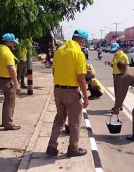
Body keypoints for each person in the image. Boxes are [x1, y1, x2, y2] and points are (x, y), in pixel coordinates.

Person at [46, 29, 89, 157]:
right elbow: (81, 77)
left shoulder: (59, 51)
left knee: (59, 119)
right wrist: (86, 97)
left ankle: (51, 147)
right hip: (72, 92)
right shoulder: (78, 53)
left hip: (58, 90)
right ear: (81, 40)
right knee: (74, 122)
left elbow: (54, 71)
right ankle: (73, 149)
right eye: (84, 41)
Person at [0, 33, 21, 130]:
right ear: (9, 42)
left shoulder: (0, 50)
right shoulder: (7, 53)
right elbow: (12, 70)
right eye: (13, 42)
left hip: (2, 79)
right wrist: (17, 84)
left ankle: (5, 122)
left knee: (7, 102)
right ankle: (9, 124)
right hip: (8, 81)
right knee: (10, 102)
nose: (14, 44)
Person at [106, 43, 129, 110]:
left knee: (119, 92)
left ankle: (117, 106)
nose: (114, 51)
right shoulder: (115, 56)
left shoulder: (124, 56)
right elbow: (113, 65)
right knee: (116, 92)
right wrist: (109, 63)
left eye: (115, 50)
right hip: (115, 76)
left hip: (121, 76)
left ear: (118, 48)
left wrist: (127, 77)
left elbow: (127, 67)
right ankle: (119, 105)